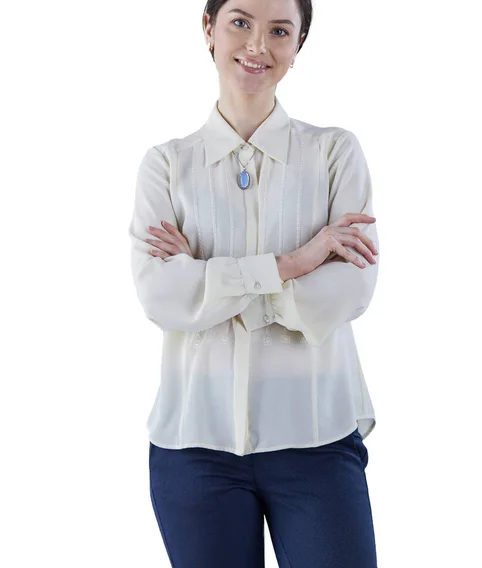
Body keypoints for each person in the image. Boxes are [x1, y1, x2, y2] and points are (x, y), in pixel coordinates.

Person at [127, 0, 380, 566]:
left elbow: (350, 291)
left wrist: (212, 284)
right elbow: (160, 296)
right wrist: (291, 265)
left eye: (279, 30)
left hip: (317, 437)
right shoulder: (165, 166)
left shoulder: (335, 153)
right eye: (240, 21)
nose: (257, 46)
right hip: (194, 447)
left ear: (300, 42)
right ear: (208, 29)